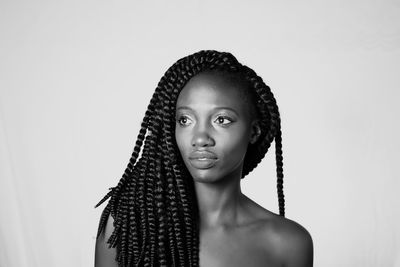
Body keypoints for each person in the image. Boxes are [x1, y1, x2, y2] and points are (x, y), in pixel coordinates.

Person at [94, 50, 313, 267]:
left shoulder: (288, 243)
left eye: (221, 119)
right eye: (185, 120)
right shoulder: (129, 223)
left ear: (254, 132)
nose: (200, 138)